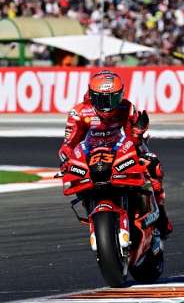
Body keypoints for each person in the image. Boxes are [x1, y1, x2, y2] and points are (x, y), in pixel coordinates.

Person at [58, 70, 173, 239]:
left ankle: (161, 215)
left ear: (120, 95)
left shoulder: (127, 108)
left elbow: (135, 141)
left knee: (153, 164)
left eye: (112, 99)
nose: (107, 106)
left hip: (121, 153)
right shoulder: (79, 113)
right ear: (91, 95)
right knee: (74, 178)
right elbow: (68, 144)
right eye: (101, 99)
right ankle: (95, 212)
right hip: (91, 157)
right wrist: (67, 160)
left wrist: (138, 131)